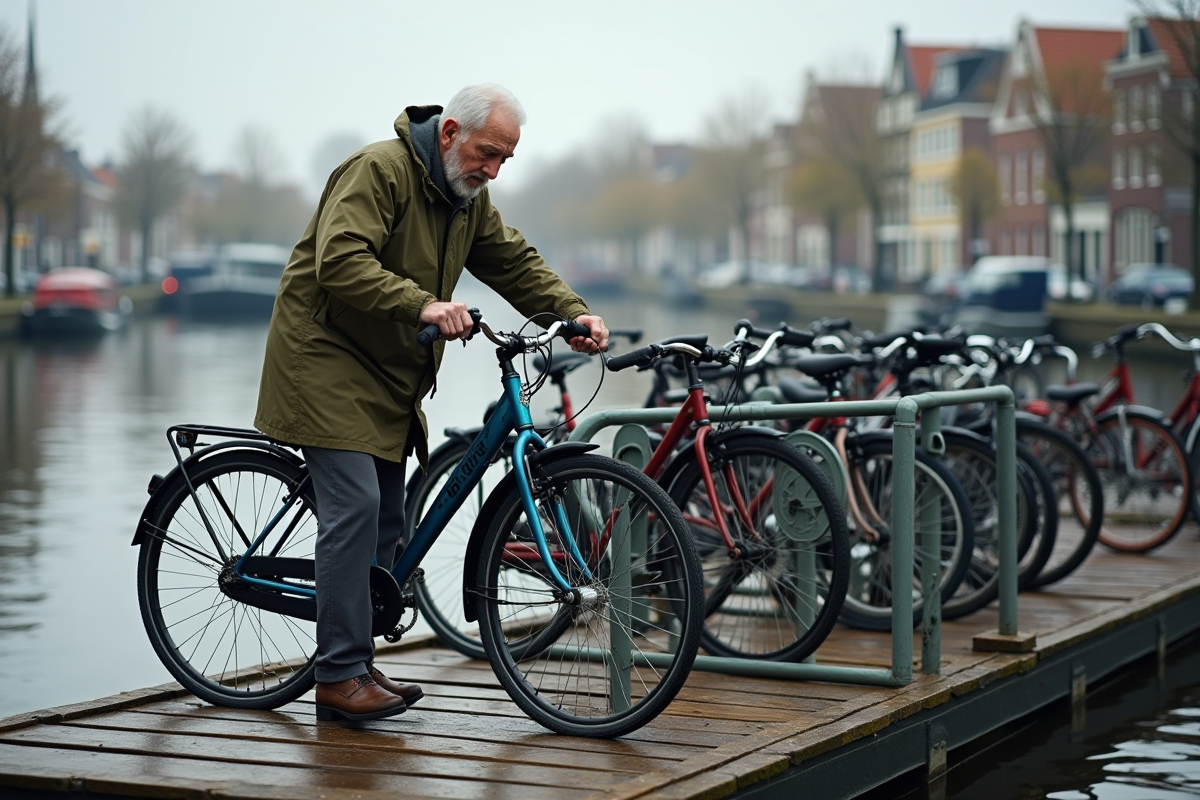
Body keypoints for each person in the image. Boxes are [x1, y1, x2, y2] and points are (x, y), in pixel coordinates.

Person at [254, 84, 609, 722]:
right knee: (356, 506)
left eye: (505, 160)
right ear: (448, 133)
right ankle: (336, 677)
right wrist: (421, 303)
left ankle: (356, 661)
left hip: (386, 370)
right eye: (486, 153)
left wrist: (572, 311)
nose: (493, 169)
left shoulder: (467, 199)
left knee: (389, 517)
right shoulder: (379, 171)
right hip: (324, 358)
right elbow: (339, 260)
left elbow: (513, 261)